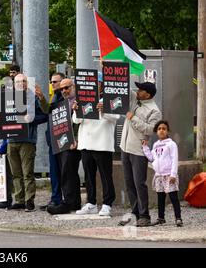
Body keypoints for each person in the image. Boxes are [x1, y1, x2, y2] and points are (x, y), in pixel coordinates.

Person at [73, 73, 119, 216]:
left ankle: (107, 203)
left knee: (106, 176)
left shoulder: (110, 97)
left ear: (101, 84)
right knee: (88, 175)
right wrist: (76, 109)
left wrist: (103, 109)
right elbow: (76, 120)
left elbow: (116, 116)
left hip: (102, 143)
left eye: (96, 82)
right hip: (86, 143)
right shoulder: (83, 98)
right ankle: (91, 202)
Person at [119, 81, 161, 227]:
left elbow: (151, 130)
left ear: (147, 94)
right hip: (125, 148)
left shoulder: (154, 110)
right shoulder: (135, 100)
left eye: (141, 89)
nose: (137, 90)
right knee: (129, 183)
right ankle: (134, 213)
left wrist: (133, 118)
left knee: (139, 184)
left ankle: (145, 216)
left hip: (138, 151)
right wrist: (107, 67)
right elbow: (124, 87)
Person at [5, 73, 48, 212]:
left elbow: (45, 115)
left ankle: (29, 201)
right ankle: (19, 200)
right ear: (14, 84)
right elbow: (1, 117)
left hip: (27, 140)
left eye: (24, 81)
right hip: (11, 139)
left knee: (27, 173)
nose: (21, 83)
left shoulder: (32, 98)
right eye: (18, 81)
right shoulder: (7, 98)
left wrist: (32, 118)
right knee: (16, 173)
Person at [47, 78, 82, 215]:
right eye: (62, 89)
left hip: (75, 143)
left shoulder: (79, 101)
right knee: (67, 172)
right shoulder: (62, 103)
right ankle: (73, 202)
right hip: (63, 142)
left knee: (68, 172)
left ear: (74, 86)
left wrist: (77, 139)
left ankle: (68, 202)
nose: (64, 91)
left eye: (67, 87)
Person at [142, 120, 183, 227]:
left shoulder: (171, 144)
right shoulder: (155, 145)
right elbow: (151, 158)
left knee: (173, 197)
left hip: (169, 175)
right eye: (159, 129)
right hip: (159, 175)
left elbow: (174, 159)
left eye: (164, 129)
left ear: (167, 131)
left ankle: (178, 218)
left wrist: (173, 174)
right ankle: (161, 218)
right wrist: (145, 148)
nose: (161, 131)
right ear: (156, 131)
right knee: (160, 197)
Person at [40, 72, 65, 211]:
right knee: (54, 172)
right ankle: (55, 198)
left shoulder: (64, 97)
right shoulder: (54, 96)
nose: (52, 84)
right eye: (51, 82)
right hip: (53, 140)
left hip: (63, 141)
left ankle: (64, 199)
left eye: (55, 82)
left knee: (64, 172)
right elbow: (47, 113)